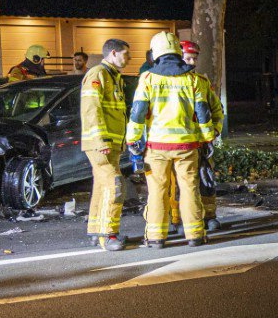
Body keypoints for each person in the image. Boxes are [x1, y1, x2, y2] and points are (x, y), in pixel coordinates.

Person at [125, 31, 218, 248]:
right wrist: (207, 139)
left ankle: (156, 237)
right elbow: (203, 112)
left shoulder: (147, 78)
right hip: (187, 146)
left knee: (158, 191)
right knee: (189, 189)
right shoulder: (192, 79)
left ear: (156, 53)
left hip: (156, 147)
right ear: (178, 52)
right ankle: (195, 235)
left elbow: (138, 113)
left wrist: (133, 140)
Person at [80, 39, 131, 251]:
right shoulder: (98, 75)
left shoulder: (113, 76)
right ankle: (108, 235)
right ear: (113, 53)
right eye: (125, 54)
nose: (127, 58)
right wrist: (101, 140)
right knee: (115, 185)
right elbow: (91, 110)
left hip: (111, 143)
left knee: (102, 187)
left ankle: (95, 230)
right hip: (101, 144)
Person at [178, 40, 225, 231]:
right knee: (181, 185)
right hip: (179, 144)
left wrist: (215, 130)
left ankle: (209, 216)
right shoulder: (167, 83)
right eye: (188, 58)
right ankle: (180, 219)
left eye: (194, 58)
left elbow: (216, 109)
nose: (192, 62)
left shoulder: (202, 82)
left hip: (201, 143)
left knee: (206, 181)